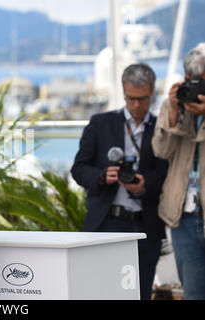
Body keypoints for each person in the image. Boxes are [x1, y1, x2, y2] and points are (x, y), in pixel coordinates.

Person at [71, 63, 168, 300]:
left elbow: (166, 176)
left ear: (152, 92)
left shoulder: (161, 129)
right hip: (106, 223)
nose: (137, 105)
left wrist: (144, 184)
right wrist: (103, 176)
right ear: (124, 93)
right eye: (131, 98)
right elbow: (79, 169)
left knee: (141, 293)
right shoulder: (100, 123)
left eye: (143, 99)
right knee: (100, 292)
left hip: (145, 226)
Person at [152, 43, 205, 300]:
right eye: (190, 82)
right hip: (183, 215)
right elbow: (161, 151)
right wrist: (174, 112)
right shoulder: (174, 104)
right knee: (194, 292)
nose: (194, 88)